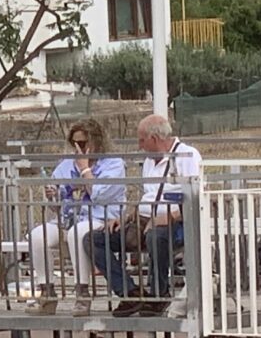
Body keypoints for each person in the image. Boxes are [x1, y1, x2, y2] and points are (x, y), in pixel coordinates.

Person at [105, 112, 202, 307]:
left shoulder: (187, 156)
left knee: (156, 236)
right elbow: (147, 195)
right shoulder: (149, 161)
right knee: (95, 240)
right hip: (144, 218)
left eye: (142, 141)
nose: (140, 146)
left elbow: (197, 196)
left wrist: (171, 216)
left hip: (176, 220)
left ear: (154, 139)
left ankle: (159, 294)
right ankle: (128, 292)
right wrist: (125, 217)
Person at [35, 119, 128, 306]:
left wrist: (85, 169)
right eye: (74, 144)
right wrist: (53, 196)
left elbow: (100, 195)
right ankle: (46, 291)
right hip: (69, 218)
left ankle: (82, 291)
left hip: (101, 217)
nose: (78, 148)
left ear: (96, 141)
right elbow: (56, 204)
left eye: (83, 143)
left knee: (77, 233)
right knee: (37, 236)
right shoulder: (66, 164)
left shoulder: (114, 164)